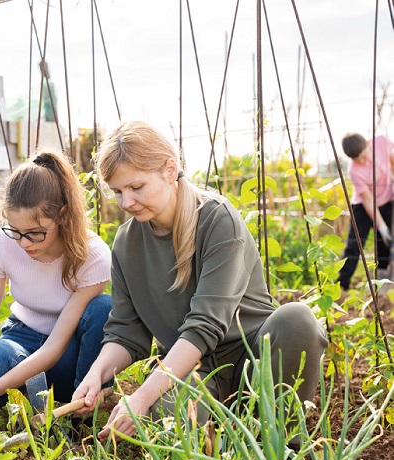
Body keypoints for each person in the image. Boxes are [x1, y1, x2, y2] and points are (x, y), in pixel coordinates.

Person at [71, 121, 327, 442]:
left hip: (255, 362)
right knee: (167, 415)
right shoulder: (126, 243)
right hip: (194, 372)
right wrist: (97, 374)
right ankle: (226, 435)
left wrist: (140, 396)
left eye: (136, 187)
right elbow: (126, 332)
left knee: (297, 319)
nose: (126, 202)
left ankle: (282, 439)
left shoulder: (217, 219)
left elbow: (205, 325)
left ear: (169, 170)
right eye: (118, 191)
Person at [0, 150, 112, 407]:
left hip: (69, 352)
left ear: (62, 215)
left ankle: (81, 402)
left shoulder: (92, 255)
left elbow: (54, 347)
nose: (23, 243)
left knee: (104, 308)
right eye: (16, 231)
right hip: (21, 338)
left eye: (35, 233)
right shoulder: (2, 244)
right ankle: (33, 403)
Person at [336, 133, 394, 290]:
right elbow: (368, 200)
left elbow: (393, 159)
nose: (363, 161)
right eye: (357, 160)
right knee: (355, 244)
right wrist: (381, 226)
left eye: (364, 155)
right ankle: (342, 284)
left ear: (368, 144)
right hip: (362, 206)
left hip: (386, 200)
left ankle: (382, 284)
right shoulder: (354, 171)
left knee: (383, 244)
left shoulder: (381, 142)